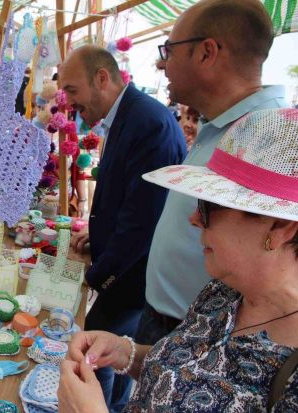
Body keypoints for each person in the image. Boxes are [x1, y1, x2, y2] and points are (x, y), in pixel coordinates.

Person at [59, 108, 298, 412]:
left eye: (211, 206)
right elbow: (184, 372)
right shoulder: (223, 292)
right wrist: (124, 352)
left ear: (279, 227)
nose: (195, 217)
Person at [138, 0, 288, 347]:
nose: (162, 64)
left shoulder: (270, 138)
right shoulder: (219, 123)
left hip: (205, 341)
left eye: (169, 50)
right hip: (169, 321)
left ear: (207, 52)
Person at [60, 46, 186, 412]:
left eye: (71, 90)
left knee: (98, 345)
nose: (68, 103)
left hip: (132, 275)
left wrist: (98, 277)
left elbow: (141, 220)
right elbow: (121, 196)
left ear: (102, 78)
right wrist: (96, 237)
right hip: (125, 268)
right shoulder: (126, 115)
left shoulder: (148, 121)